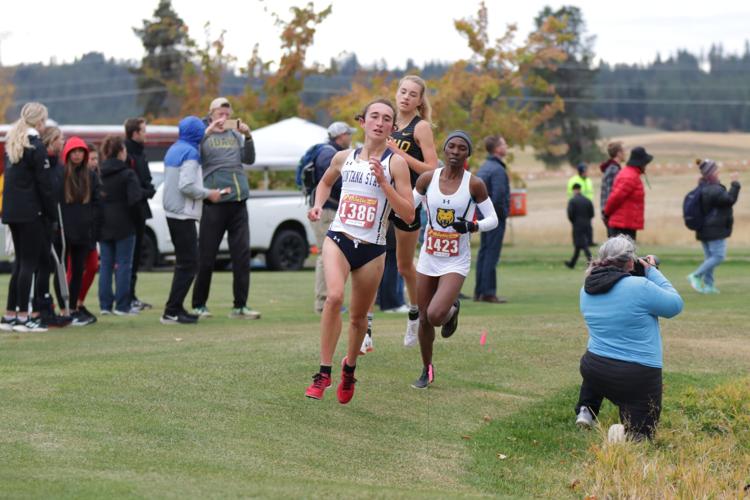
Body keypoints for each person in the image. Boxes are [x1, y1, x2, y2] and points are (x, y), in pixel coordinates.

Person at [304, 98, 414, 404]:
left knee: (357, 319)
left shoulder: (397, 164)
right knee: (334, 296)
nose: (379, 122)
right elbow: (325, 183)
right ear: (362, 122)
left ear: (392, 128)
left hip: (373, 248)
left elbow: (407, 214)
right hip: (338, 238)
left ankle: (349, 368)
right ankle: (324, 372)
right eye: (374, 116)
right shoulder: (343, 157)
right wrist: (316, 205)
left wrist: (384, 182)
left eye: (386, 118)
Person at [411, 131, 498, 389]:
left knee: (436, 315)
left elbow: (493, 219)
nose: (456, 151)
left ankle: (451, 310)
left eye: (462, 148)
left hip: (455, 261)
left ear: (467, 154)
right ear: (444, 149)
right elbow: (408, 206)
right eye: (451, 146)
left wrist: (472, 227)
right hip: (429, 256)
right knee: (424, 319)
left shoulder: (474, 184)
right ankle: (426, 369)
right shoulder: (428, 178)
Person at [574, 235, 683, 441]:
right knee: (642, 435)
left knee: (625, 399)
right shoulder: (641, 286)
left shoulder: (586, 289)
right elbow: (674, 305)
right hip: (637, 375)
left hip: (595, 370)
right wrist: (652, 272)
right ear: (630, 261)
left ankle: (587, 410)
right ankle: (623, 435)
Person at [191, 97, 259, 320]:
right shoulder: (203, 134)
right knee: (207, 256)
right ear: (210, 113)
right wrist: (208, 131)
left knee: (241, 256)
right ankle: (199, 305)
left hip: (239, 201)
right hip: (215, 201)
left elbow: (249, 160)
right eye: (220, 114)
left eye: (227, 115)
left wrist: (248, 136)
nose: (224, 119)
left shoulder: (233, 135)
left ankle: (240, 306)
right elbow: (195, 156)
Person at [384, 75, 438, 348]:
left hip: (409, 201)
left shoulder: (421, 127)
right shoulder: (386, 121)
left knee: (405, 266)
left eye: (412, 94)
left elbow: (432, 168)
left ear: (419, 101)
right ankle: (365, 326)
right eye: (402, 91)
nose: (405, 97)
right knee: (372, 261)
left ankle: (416, 314)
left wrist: (399, 154)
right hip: (381, 199)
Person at [1, 102, 55, 332]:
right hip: (31, 211)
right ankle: (24, 317)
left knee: (19, 264)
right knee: (29, 264)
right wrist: (51, 211)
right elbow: (44, 184)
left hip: (12, 211)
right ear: (40, 121)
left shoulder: (14, 143)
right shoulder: (35, 146)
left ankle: (10, 314)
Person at [161, 116, 222, 324]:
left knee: (185, 263)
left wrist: (209, 131)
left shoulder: (175, 148)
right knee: (189, 263)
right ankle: (172, 310)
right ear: (197, 133)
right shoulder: (191, 153)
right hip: (183, 212)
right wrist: (209, 194)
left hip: (173, 211)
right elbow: (186, 185)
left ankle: (175, 307)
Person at [311, 121, 354, 313]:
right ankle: (322, 302)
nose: (350, 137)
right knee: (324, 254)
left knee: (331, 254)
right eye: (348, 134)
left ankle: (328, 300)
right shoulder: (329, 154)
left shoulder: (330, 152)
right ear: (340, 136)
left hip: (330, 209)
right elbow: (332, 183)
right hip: (326, 210)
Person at [98, 136, 144, 315]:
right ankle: (123, 305)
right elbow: (135, 199)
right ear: (120, 152)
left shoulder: (99, 173)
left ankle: (105, 305)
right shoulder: (128, 174)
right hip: (125, 224)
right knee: (124, 264)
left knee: (106, 266)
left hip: (104, 224)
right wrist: (136, 219)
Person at [59, 137, 101, 327]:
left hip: (84, 231)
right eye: (73, 151)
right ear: (67, 153)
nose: (77, 154)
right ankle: (63, 308)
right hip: (64, 231)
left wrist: (93, 225)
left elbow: (96, 203)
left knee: (77, 271)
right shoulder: (62, 175)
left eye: (80, 151)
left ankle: (74, 308)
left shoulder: (90, 176)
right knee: (62, 271)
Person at [687, 160, 741, 294]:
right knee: (718, 256)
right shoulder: (714, 189)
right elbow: (729, 200)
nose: (718, 172)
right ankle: (696, 275)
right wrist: (735, 184)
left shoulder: (703, 187)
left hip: (704, 229)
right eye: (716, 170)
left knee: (710, 257)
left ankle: (709, 285)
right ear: (711, 173)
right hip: (714, 229)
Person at [474, 135, 510, 303]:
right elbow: (498, 197)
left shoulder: (484, 167)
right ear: (497, 149)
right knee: (491, 254)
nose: (506, 146)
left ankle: (479, 291)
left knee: (483, 252)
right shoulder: (498, 170)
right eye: (503, 144)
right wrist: (499, 216)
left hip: (482, 218)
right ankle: (488, 292)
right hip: (494, 219)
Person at [124, 117, 156, 311]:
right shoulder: (128, 155)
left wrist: (147, 189)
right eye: (143, 130)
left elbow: (146, 180)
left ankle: (131, 295)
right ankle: (125, 297)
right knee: (128, 257)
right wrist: (146, 192)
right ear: (135, 133)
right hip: (130, 212)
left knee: (134, 257)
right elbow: (132, 188)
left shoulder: (140, 154)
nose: (146, 134)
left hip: (140, 211)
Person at [603, 146, 653, 241]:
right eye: (645, 163)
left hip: (627, 224)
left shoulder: (631, 174)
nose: (646, 166)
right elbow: (615, 198)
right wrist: (606, 214)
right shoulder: (629, 176)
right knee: (622, 255)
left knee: (626, 254)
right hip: (622, 227)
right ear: (640, 163)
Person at [565, 183, 594, 269]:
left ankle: (591, 262)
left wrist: (574, 222)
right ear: (580, 189)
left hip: (577, 225)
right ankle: (572, 263)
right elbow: (592, 214)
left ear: (574, 190)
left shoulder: (572, 201)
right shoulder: (588, 200)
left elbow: (570, 214)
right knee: (578, 244)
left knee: (583, 244)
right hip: (587, 225)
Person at [599, 142, 625, 237]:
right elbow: (612, 195)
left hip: (610, 215)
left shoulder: (612, 168)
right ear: (618, 153)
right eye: (623, 151)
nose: (625, 153)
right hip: (612, 216)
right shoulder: (614, 170)